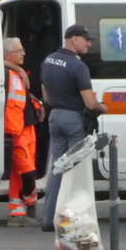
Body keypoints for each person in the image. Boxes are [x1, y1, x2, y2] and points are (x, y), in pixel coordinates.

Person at [39, 24, 107, 232]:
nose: (89, 43)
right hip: (74, 119)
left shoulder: (48, 60)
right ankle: (72, 219)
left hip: (55, 116)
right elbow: (89, 102)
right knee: (76, 171)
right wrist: (102, 107)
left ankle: (49, 219)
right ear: (73, 39)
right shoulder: (78, 66)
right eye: (86, 39)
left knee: (57, 169)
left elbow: (46, 96)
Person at [4, 37, 42, 226]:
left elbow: (23, 95)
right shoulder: (4, 72)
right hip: (15, 131)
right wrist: (16, 67)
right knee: (27, 172)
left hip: (27, 127)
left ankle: (17, 214)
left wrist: (38, 104)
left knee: (18, 174)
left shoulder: (16, 73)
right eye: (19, 50)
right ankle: (30, 205)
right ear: (6, 55)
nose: (24, 53)